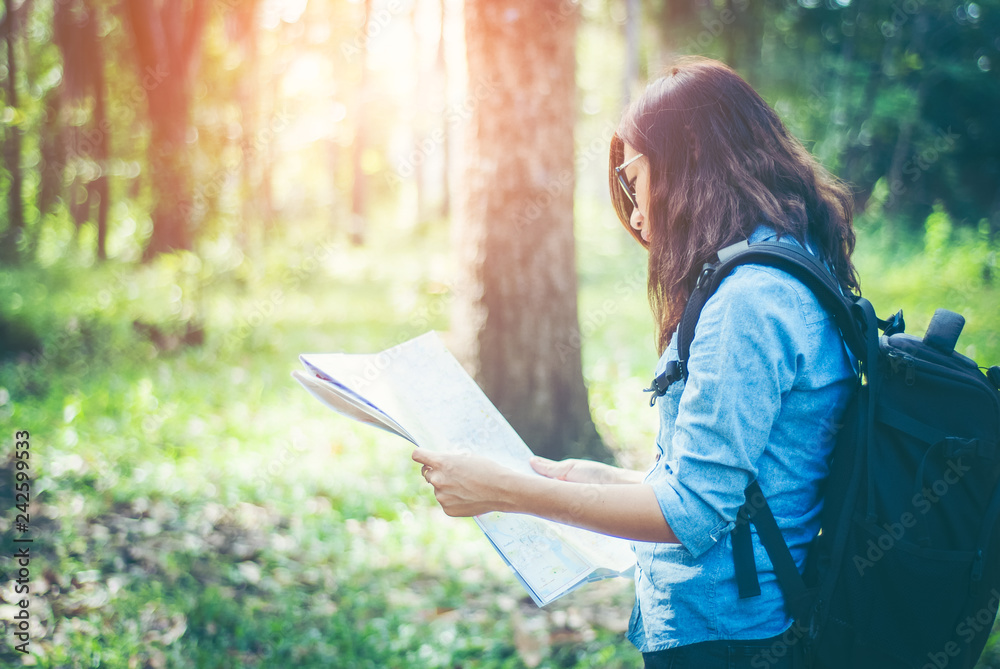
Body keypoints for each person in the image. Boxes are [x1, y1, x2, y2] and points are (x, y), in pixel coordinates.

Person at [412, 56, 860, 669]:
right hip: (743, 624)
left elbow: (693, 514)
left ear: (690, 167)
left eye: (633, 178)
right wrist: (589, 478)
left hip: (730, 638)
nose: (635, 210)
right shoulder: (788, 265)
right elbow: (732, 483)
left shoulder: (749, 302)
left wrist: (510, 493)